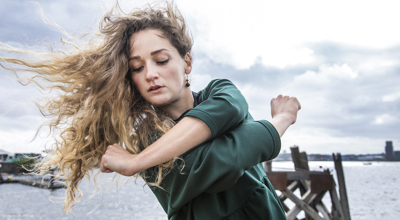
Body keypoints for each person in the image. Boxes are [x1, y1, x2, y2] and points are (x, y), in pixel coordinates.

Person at [0, 2, 300, 219]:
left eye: (161, 60)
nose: (151, 74)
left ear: (187, 64)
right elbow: (221, 163)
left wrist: (135, 163)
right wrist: (280, 120)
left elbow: (230, 107)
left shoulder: (219, 92)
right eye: (137, 67)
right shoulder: (146, 141)